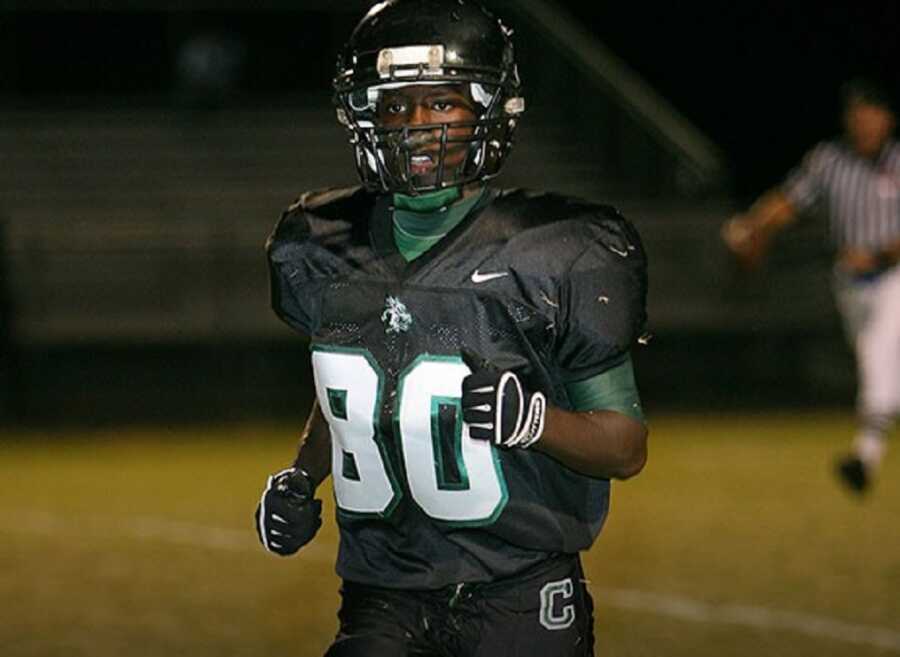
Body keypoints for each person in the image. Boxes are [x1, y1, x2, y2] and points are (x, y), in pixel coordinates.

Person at [254, 1, 649, 655]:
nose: (414, 126)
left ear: (489, 111)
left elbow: (626, 444)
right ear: (363, 116)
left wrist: (537, 421)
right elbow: (357, 383)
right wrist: (301, 473)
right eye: (393, 105)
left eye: (440, 104)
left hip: (519, 598)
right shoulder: (320, 243)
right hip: (381, 598)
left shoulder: (559, 250)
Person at [721, 76, 899, 495]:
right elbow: (790, 199)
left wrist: (875, 255)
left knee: (877, 354)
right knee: (882, 367)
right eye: (857, 113)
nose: (864, 122)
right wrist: (752, 225)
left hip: (893, 276)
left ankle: (864, 457)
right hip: (850, 285)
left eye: (872, 112)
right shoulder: (829, 160)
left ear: (888, 118)